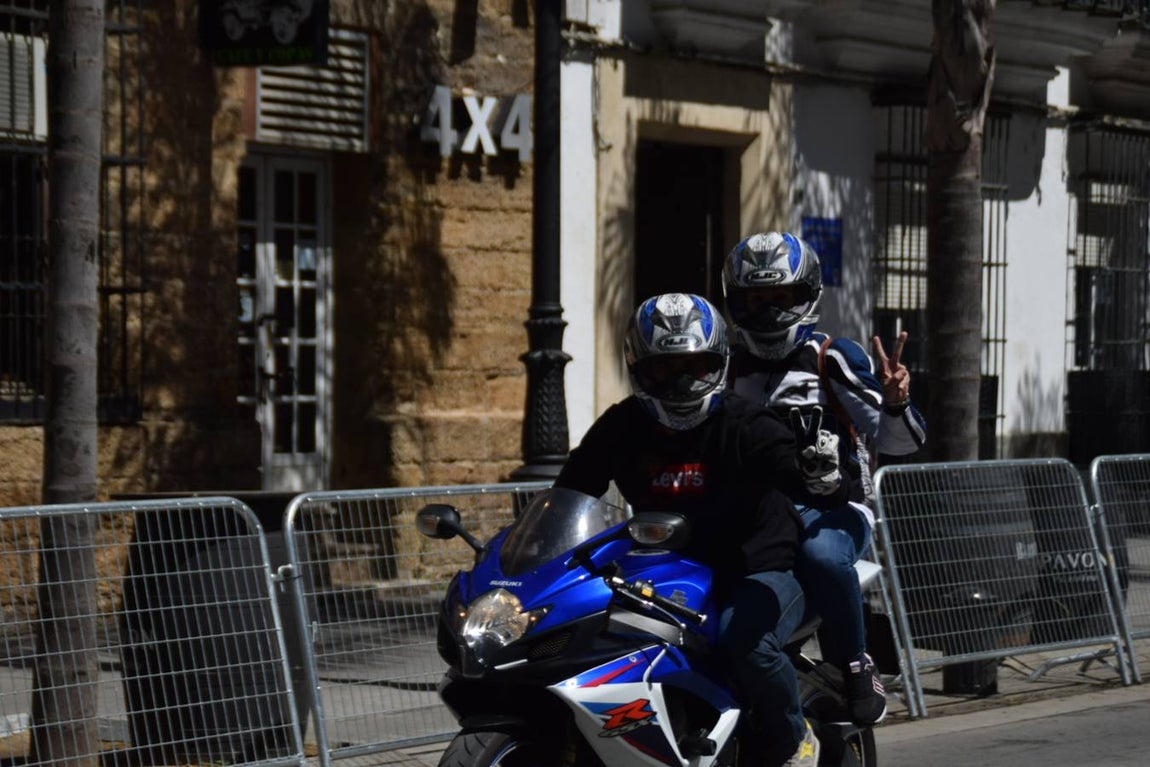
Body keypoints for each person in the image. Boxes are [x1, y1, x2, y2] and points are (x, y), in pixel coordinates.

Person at [554, 292, 853, 767]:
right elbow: (569, 491)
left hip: (760, 565)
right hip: (666, 571)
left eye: (697, 366)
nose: (683, 382)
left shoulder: (747, 423)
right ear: (639, 368)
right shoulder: (621, 426)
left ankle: (794, 740)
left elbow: (797, 472)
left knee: (746, 641)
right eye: (665, 369)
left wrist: (820, 473)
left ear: (721, 364)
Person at [721, 231, 927, 726]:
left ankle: (856, 662)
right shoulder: (727, 364)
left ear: (805, 295)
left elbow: (899, 441)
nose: (769, 311)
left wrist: (897, 400)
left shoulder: (832, 357)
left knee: (821, 556)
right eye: (756, 299)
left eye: (780, 297)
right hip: (759, 515)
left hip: (835, 507)